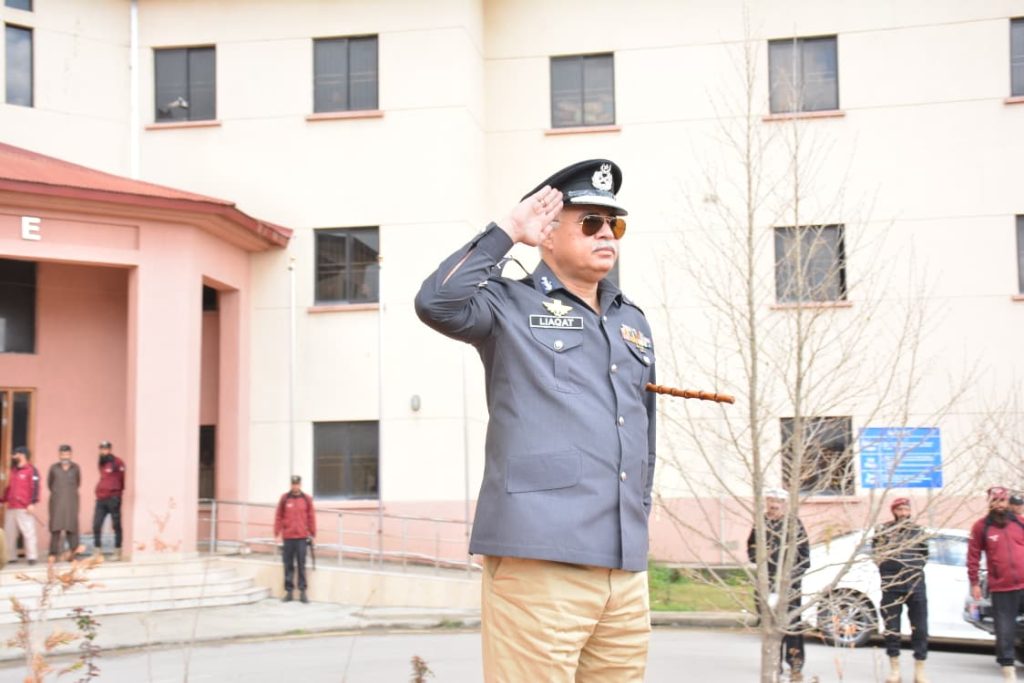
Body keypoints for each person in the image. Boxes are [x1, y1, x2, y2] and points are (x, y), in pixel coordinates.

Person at [415, 159, 657, 681]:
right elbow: (436, 302)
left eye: (613, 224)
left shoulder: (631, 321)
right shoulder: (508, 304)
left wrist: (639, 515)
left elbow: (644, 428)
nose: (606, 234)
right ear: (547, 234)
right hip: (541, 560)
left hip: (623, 570)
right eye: (589, 223)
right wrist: (507, 231)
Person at [746, 487, 810, 682]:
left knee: (791, 625)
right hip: (766, 583)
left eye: (778, 502)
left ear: (784, 504)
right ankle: (774, 665)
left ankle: (795, 665)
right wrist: (762, 566)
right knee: (770, 626)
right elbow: (751, 549)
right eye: (771, 501)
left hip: (789, 584)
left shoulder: (793, 524)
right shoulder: (760, 524)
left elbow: (804, 556)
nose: (774, 505)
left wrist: (790, 579)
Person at [967, 486, 1024, 682]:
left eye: (1002, 500)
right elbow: (973, 556)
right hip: (1002, 587)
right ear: (990, 503)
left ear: (1008, 502)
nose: (999, 504)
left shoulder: (1020, 523)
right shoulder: (981, 527)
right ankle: (1009, 673)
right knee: (1004, 630)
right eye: (995, 500)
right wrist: (974, 582)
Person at [872, 497, 929, 683]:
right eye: (900, 510)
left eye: (906, 509)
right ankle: (894, 669)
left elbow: (924, 555)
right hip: (891, 586)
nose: (903, 513)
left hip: (915, 586)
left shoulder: (918, 531)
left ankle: (919, 670)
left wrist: (913, 570)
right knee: (892, 628)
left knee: (920, 629)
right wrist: (888, 570)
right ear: (894, 511)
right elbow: (876, 554)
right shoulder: (883, 531)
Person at [273, 475, 315, 603]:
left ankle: (303, 592)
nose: (295, 486)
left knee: (302, 565)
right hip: (288, 537)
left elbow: (311, 517)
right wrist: (277, 533)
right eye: (293, 484)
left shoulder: (306, 499)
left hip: (302, 537)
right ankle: (289, 592)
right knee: (288, 565)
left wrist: (312, 533)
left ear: (300, 485)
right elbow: (279, 516)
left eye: (297, 484)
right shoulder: (285, 498)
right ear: (291, 485)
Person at [1, 446, 41, 565]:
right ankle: (11, 557)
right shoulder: (13, 471)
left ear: (22, 455)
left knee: (29, 533)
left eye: (15, 454)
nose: (13, 456)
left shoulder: (32, 470)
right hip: (11, 507)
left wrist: (32, 503)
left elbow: (36, 488)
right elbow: (9, 488)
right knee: (10, 533)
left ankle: (32, 557)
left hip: (24, 508)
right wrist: (2, 500)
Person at [47, 444, 82, 561]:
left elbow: (78, 483)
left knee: (72, 528)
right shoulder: (53, 468)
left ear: (71, 455)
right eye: (62, 454)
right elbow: (50, 484)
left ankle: (74, 554)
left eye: (67, 454)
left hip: (71, 503)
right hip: (56, 503)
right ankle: (53, 555)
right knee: (55, 529)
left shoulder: (76, 468)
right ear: (59, 455)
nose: (65, 456)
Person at [92, 440, 126, 561]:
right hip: (101, 499)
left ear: (110, 449)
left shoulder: (118, 462)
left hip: (113, 498)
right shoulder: (101, 462)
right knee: (96, 524)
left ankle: (117, 551)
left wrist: (117, 494)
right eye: (101, 449)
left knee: (116, 525)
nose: (103, 451)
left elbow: (122, 479)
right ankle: (97, 551)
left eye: (105, 449)